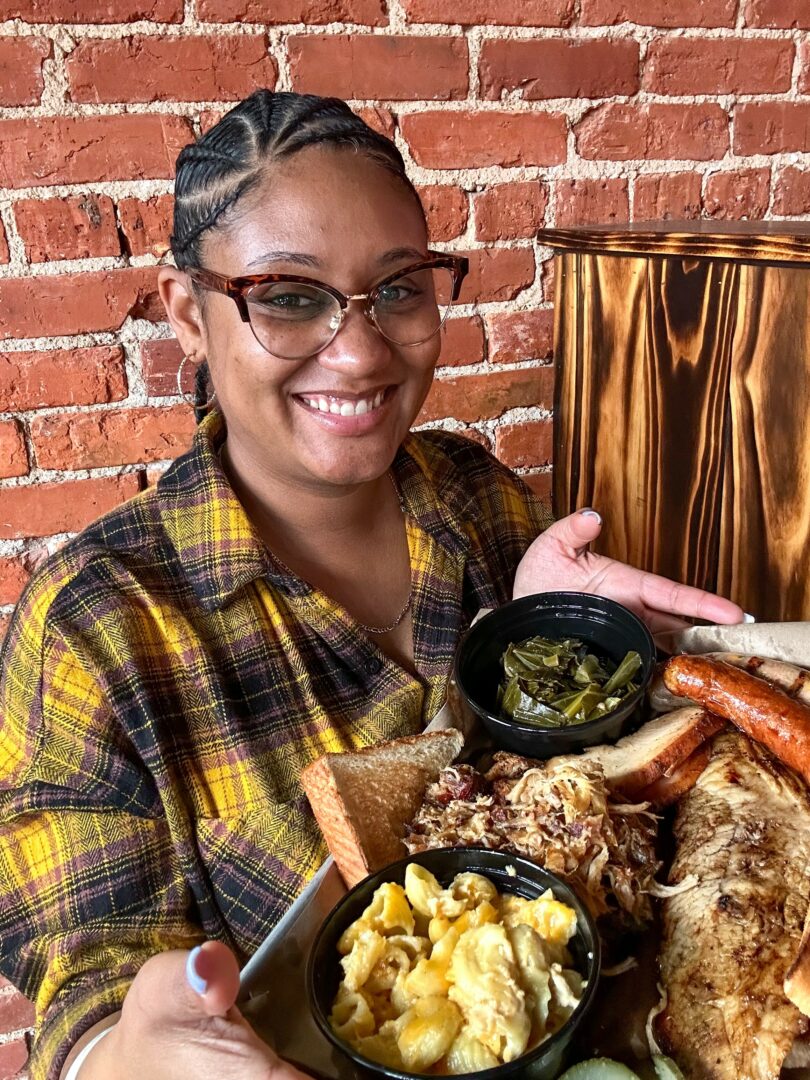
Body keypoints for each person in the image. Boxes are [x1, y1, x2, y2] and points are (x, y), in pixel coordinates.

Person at [0, 91, 745, 1080]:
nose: (359, 352)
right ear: (187, 313)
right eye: (287, 295)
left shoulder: (475, 496)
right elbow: (88, 975)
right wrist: (122, 1055)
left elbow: (590, 806)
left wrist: (546, 627)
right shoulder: (96, 625)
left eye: (398, 288)